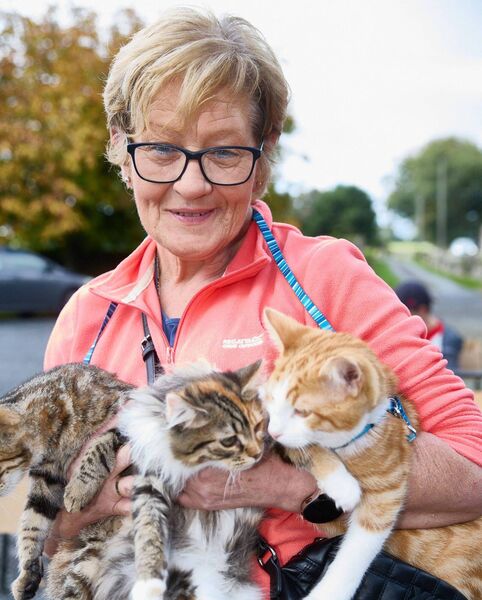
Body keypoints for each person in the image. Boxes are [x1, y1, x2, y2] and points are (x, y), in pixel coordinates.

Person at [43, 7, 482, 596]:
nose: (191, 184)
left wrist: (286, 486)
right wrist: (87, 505)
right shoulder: (87, 318)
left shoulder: (320, 277)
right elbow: (50, 539)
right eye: (162, 150)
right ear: (123, 149)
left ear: (264, 153)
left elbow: (472, 463)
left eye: (224, 153)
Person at [395, 280, 464, 371]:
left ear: (422, 310)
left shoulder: (448, 339)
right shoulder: (401, 335)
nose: (399, 321)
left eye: (405, 314)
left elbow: (450, 376)